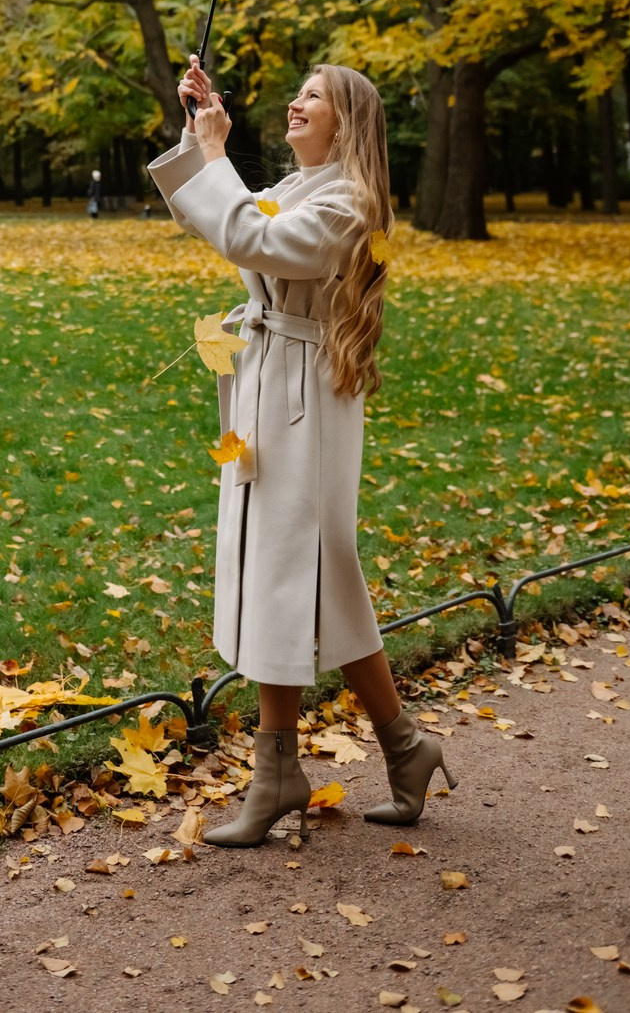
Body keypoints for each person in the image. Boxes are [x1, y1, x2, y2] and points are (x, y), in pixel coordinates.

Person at [148, 55, 456, 846]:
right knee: (273, 571)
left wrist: (215, 160)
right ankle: (320, 763)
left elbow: (248, 235)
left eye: (311, 97)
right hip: (263, 388)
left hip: (307, 401)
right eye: (298, 94)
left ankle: (367, 752)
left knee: (311, 570)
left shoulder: (351, 203)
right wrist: (201, 129)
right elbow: (219, 219)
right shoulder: (294, 190)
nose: (294, 103)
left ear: (345, 121)